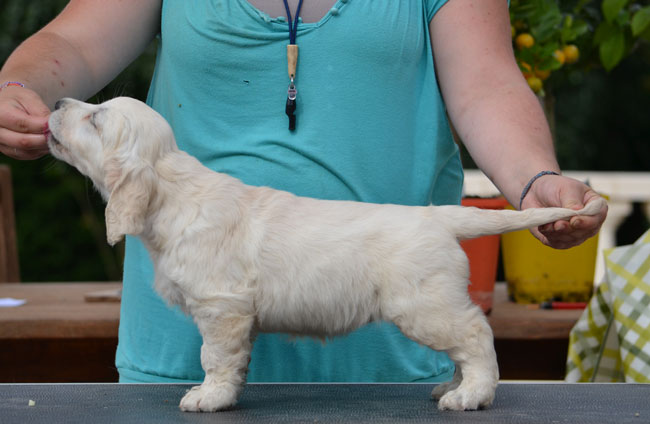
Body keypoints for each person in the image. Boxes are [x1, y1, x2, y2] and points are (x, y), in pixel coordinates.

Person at [0, 0, 607, 384]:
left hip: (385, 363)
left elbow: (487, 86)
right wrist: (19, 86)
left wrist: (534, 180)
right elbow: (74, 42)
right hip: (183, 356)